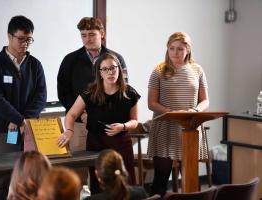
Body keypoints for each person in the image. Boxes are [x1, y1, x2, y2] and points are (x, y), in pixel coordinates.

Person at [58, 52, 140, 194]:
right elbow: (71, 114)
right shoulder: (90, 92)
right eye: (105, 69)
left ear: (119, 69)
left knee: (125, 186)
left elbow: (135, 121)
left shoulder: (129, 92)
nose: (110, 72)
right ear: (99, 72)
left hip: (122, 144)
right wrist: (69, 130)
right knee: (99, 189)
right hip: (97, 145)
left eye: (113, 68)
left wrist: (123, 126)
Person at [0, 15, 47, 200]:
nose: (25, 44)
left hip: (28, 131)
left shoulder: (35, 64)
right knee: (1, 180)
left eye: (29, 39)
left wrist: (24, 121)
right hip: (5, 132)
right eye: (21, 39)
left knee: (29, 180)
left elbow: (41, 96)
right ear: (9, 37)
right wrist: (17, 120)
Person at [147, 32, 209, 198]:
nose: (175, 52)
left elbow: (205, 101)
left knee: (190, 180)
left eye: (180, 49)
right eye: (171, 48)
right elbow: (151, 103)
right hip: (166, 126)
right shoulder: (158, 70)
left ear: (188, 50)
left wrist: (195, 111)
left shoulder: (197, 70)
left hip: (189, 126)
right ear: (167, 49)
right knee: (161, 178)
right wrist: (171, 112)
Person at [57, 17, 128, 155]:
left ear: (102, 34)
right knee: (80, 170)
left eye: (91, 34)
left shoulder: (116, 59)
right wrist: (81, 113)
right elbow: (63, 92)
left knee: (107, 168)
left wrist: (97, 114)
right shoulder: (70, 60)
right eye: (83, 35)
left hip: (107, 123)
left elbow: (122, 90)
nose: (87, 39)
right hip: (78, 123)